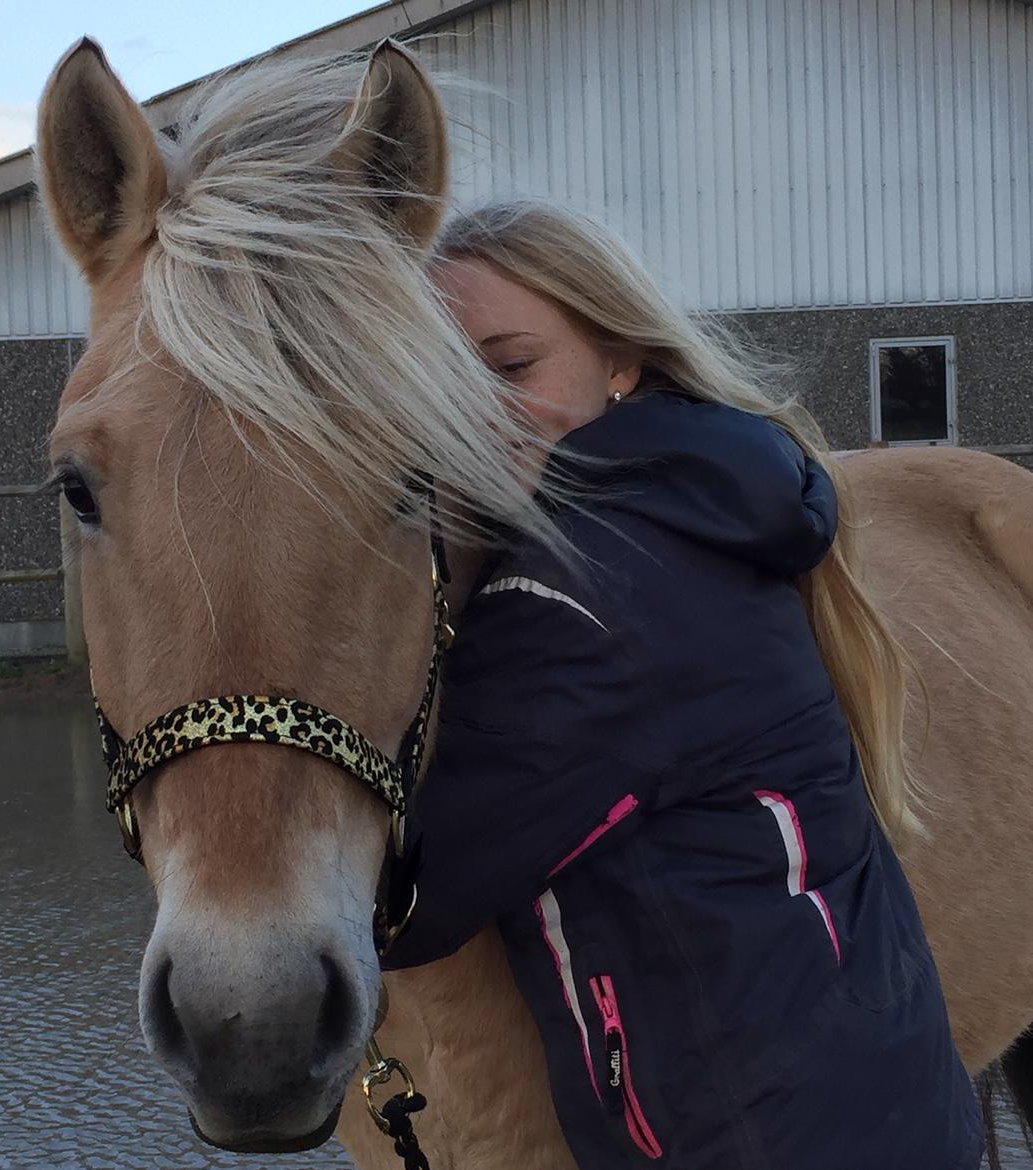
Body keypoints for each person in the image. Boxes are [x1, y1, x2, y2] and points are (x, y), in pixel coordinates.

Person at [382, 200, 983, 1170]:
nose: (467, 416)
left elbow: (409, 899)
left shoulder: (592, 588)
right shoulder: (694, 501)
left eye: (510, 368)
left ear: (622, 360)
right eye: (436, 384)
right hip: (879, 1111)